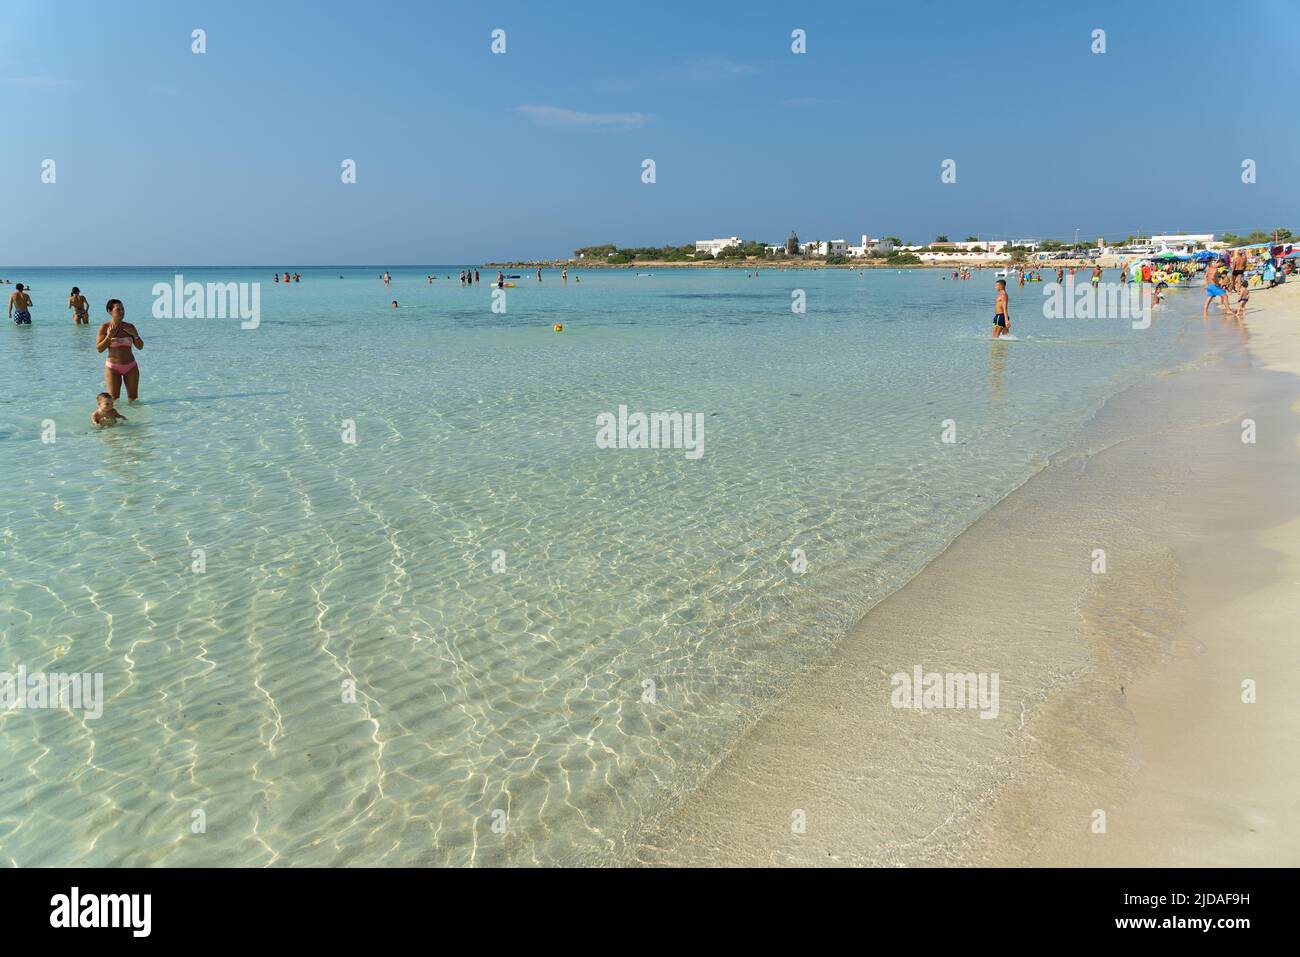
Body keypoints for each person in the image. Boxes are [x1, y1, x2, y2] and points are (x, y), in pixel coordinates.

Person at [96, 299, 143, 401]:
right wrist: (109, 336)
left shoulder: (129, 327)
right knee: (113, 400)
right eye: (118, 309)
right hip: (113, 368)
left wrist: (135, 335)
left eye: (123, 309)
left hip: (131, 367)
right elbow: (99, 349)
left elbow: (140, 346)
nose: (122, 312)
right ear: (110, 311)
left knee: (133, 399)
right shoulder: (105, 327)